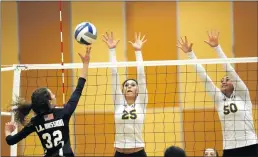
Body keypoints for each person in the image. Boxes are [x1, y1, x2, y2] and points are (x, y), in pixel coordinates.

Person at [176, 31, 258, 157]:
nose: (224, 82)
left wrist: (216, 48)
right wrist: (190, 54)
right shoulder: (218, 99)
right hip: (230, 148)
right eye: (221, 81)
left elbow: (229, 69)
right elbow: (204, 78)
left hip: (250, 145)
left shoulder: (243, 94)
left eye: (227, 80)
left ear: (234, 83)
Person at [5, 46, 92, 157]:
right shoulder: (64, 113)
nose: (54, 95)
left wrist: (8, 131)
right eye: (52, 94)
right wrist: (85, 64)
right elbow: (78, 89)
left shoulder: (35, 122)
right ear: (49, 101)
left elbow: (11, 141)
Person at [102, 32, 148, 157]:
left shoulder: (141, 103)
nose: (129, 86)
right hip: (119, 153)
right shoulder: (118, 103)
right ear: (122, 91)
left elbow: (141, 76)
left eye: (133, 85)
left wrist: (138, 51)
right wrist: (112, 50)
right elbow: (114, 74)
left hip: (138, 153)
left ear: (138, 90)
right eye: (126, 85)